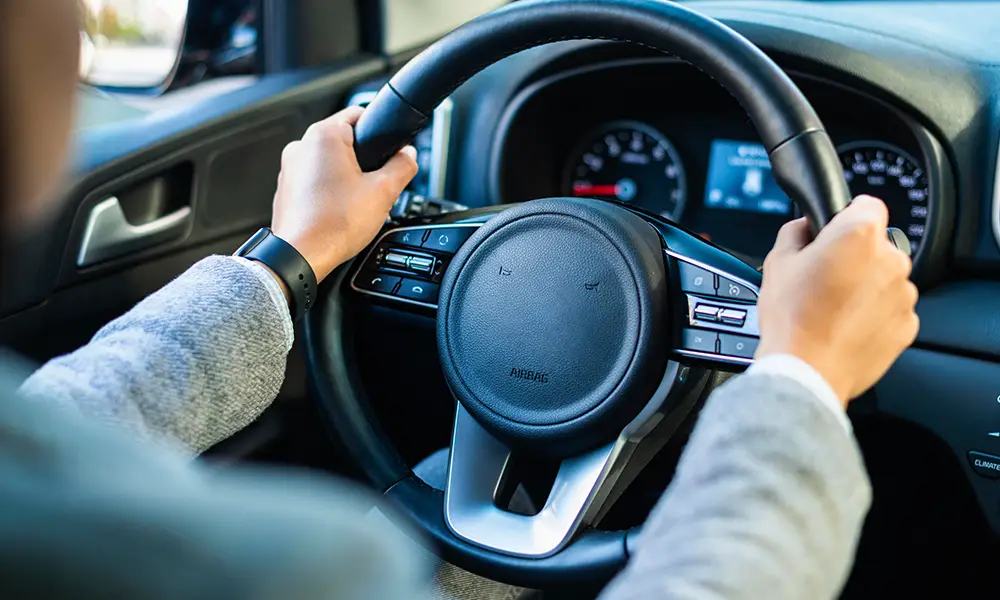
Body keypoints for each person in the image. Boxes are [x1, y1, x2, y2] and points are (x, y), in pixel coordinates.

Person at [0, 1, 918, 599]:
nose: (80, 24)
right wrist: (798, 375)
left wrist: (291, 259)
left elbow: (64, 422)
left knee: (447, 494)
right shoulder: (307, 571)